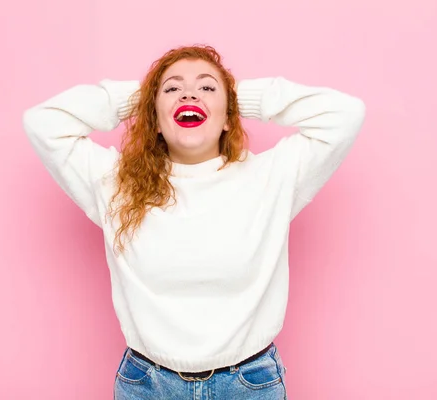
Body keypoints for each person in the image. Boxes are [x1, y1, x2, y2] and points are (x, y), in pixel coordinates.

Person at [22, 44, 366, 399]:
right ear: (154, 118)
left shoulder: (271, 177)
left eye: (206, 87)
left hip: (248, 384)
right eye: (172, 88)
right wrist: (146, 97)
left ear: (231, 115)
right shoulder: (115, 182)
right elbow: (43, 122)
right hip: (147, 385)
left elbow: (345, 114)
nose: (189, 93)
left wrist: (234, 96)